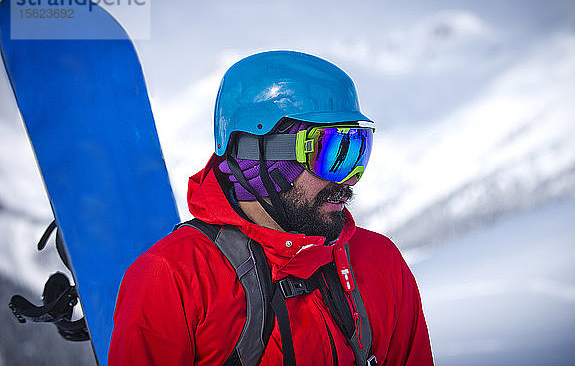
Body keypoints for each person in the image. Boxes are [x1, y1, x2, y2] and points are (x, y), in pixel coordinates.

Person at [108, 51, 434, 365]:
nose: (348, 180)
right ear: (263, 159)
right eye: (331, 152)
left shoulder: (379, 260)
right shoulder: (174, 276)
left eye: (357, 151)